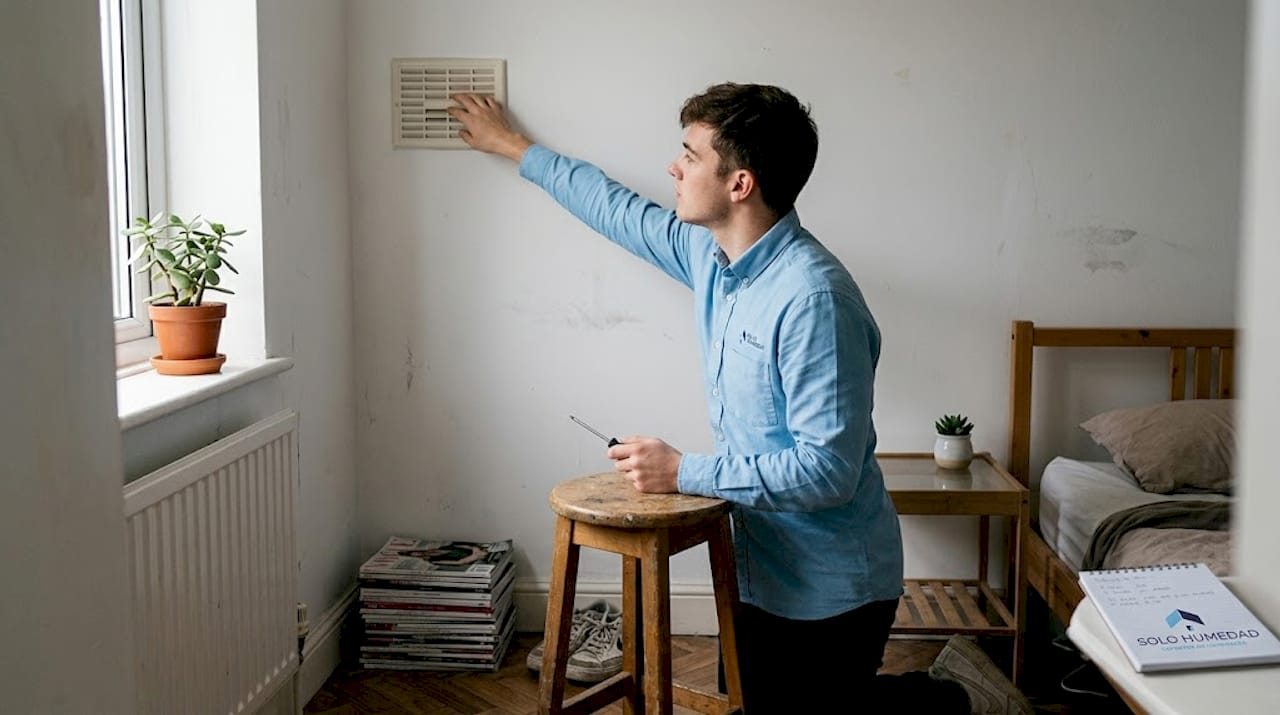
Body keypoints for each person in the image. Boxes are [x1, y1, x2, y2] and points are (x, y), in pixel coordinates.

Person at [448, 84, 1031, 714]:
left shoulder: (814, 301)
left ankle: (956, 698)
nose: (674, 167)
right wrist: (512, 145)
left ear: (740, 184)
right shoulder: (710, 258)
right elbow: (612, 207)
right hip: (757, 568)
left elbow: (827, 471)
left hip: (834, 589)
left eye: (690, 155)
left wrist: (683, 471)